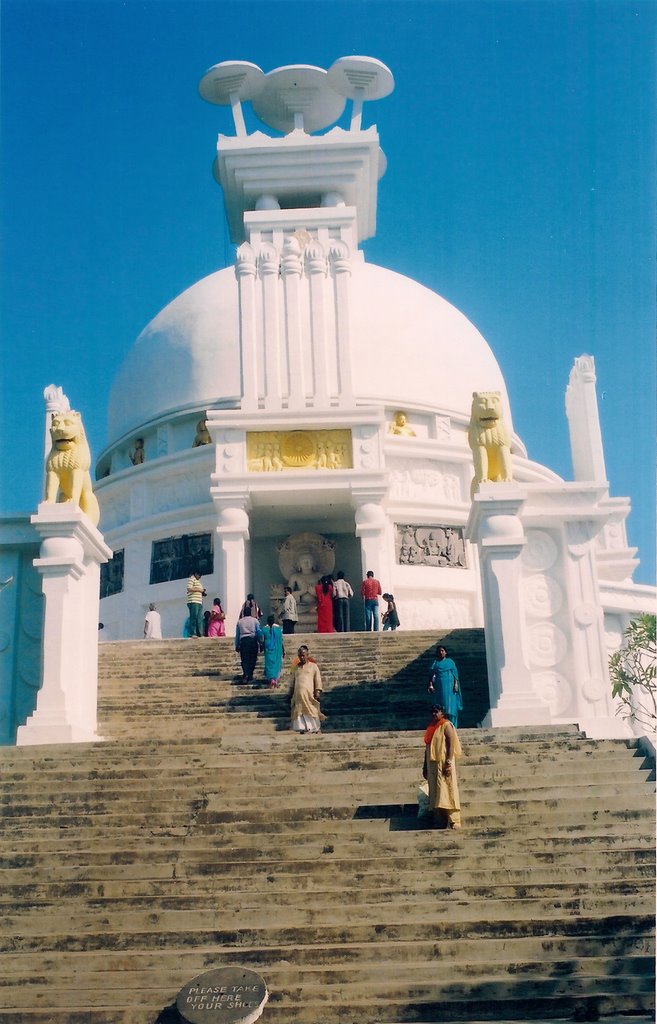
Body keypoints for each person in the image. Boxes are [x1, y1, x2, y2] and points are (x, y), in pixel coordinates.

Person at [425, 706, 462, 829]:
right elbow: (427, 748)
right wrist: (424, 766)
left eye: (437, 712)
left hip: (444, 762)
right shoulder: (432, 727)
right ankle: (440, 820)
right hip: (433, 765)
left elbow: (451, 744)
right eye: (433, 712)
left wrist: (448, 762)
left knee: (448, 790)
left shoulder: (446, 725)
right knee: (436, 792)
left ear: (442, 713)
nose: (434, 714)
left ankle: (454, 820)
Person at [287, 645, 325, 734]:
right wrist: (290, 693)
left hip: (309, 695)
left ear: (307, 655)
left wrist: (317, 691)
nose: (302, 657)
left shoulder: (313, 666)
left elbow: (317, 679)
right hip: (298, 696)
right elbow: (292, 682)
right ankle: (301, 728)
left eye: (304, 655)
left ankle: (314, 728)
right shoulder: (296, 668)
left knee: (311, 710)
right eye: (300, 655)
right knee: (299, 711)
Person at [428, 644, 463, 727]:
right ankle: (442, 725)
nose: (441, 652)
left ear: (446, 652)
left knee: (451, 706)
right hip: (440, 688)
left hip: (450, 688)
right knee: (441, 705)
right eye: (439, 651)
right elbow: (430, 675)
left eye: (442, 651)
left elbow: (455, 675)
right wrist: (430, 685)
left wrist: (455, 684)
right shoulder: (435, 663)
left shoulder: (450, 662)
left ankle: (452, 725)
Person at [234, 611, 264, 685]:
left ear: (244, 613)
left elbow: (237, 634)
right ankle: (250, 674)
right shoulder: (255, 620)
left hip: (243, 641)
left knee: (244, 659)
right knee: (253, 658)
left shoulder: (240, 622)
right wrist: (261, 642)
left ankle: (246, 674)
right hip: (253, 640)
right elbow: (258, 632)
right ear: (251, 613)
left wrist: (237, 645)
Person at [262, 614, 285, 688]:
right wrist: (283, 650)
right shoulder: (278, 630)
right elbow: (281, 641)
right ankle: (274, 679)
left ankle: (272, 679)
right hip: (277, 650)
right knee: (276, 664)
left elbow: (262, 640)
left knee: (269, 665)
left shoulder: (264, 629)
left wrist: (262, 648)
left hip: (268, 649)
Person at [186, 571, 206, 638]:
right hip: (193, 601)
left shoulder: (198, 581)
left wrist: (202, 592)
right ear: (196, 574)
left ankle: (200, 633)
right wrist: (199, 590)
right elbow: (189, 588)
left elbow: (199, 590)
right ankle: (192, 633)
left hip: (199, 601)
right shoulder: (191, 579)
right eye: (199, 575)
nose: (200, 577)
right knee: (193, 618)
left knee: (199, 618)